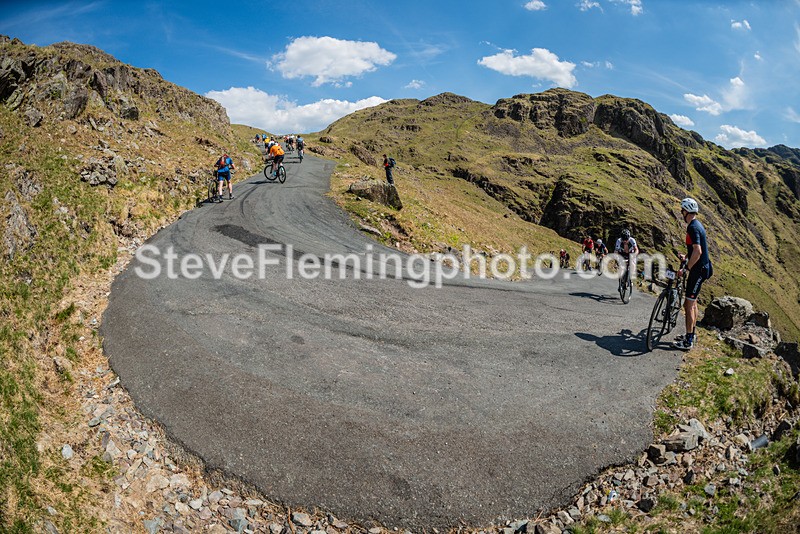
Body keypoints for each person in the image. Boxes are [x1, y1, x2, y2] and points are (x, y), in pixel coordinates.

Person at [673, 198, 713, 351]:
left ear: (686, 211)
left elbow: (698, 251)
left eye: (682, 210)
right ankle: (692, 334)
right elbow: (695, 251)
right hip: (702, 268)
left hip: (698, 270)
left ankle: (688, 341)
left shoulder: (693, 228)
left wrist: (686, 268)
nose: (681, 213)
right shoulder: (696, 225)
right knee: (693, 302)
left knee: (688, 304)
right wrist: (687, 258)